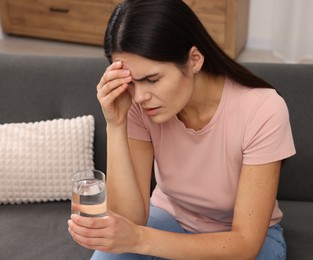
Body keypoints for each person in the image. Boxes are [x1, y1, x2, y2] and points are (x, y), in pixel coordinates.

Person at [67, 0, 296, 259]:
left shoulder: (263, 109)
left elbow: (244, 244)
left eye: (152, 79)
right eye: (131, 83)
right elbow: (128, 220)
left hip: (236, 239)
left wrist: (139, 240)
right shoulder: (137, 103)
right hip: (168, 221)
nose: (141, 96)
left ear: (194, 60)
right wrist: (116, 125)